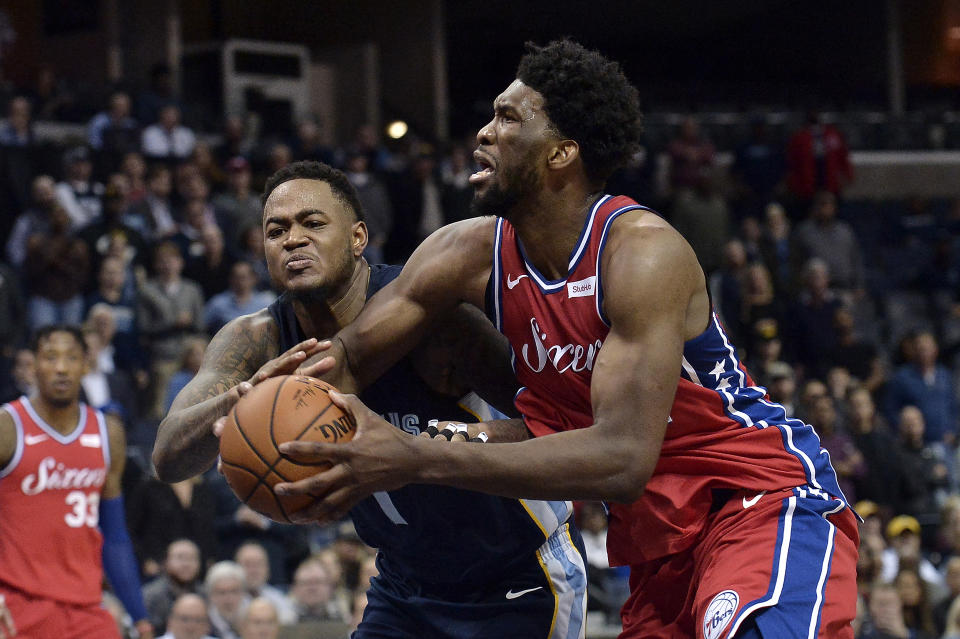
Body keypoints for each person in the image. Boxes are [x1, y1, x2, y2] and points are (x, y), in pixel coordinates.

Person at [272, 40, 859, 639]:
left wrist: (414, 456)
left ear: (561, 152)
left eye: (507, 118)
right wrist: (272, 424)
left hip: (756, 500)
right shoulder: (462, 254)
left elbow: (620, 459)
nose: (483, 133)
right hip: (660, 546)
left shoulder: (640, 255)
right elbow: (349, 357)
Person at [153, 160, 589, 638]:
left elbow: (558, 429)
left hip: (515, 578)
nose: (292, 239)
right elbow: (168, 457)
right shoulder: (256, 340)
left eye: (312, 223)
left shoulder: (434, 320)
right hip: (403, 588)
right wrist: (241, 399)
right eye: (276, 230)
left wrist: (430, 443)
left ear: (358, 238)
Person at [0, 325, 153, 637]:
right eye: (50, 357)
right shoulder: (8, 426)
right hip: (18, 603)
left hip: (86, 607)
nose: (61, 368)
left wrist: (139, 615)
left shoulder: (108, 432)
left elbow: (115, 534)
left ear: (86, 364)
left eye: (71, 358)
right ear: (33, 365)